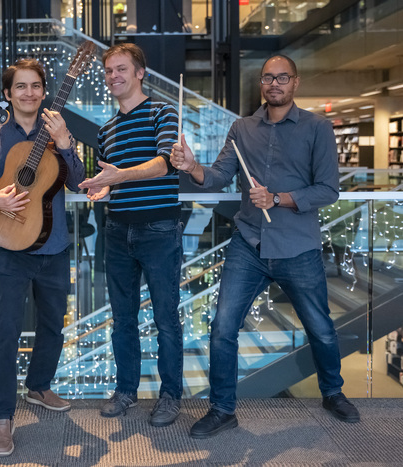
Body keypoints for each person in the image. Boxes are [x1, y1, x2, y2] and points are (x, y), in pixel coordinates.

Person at [170, 54, 360, 439]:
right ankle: (223, 409)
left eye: (282, 77)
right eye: (268, 78)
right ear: (262, 84)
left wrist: (278, 199)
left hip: (298, 246)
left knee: (320, 328)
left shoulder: (317, 128)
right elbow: (220, 175)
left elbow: (328, 190)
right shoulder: (242, 128)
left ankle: (333, 392)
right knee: (222, 327)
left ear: (295, 83)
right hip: (249, 243)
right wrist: (192, 167)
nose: (275, 84)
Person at [0, 58, 85, 457]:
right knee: (5, 333)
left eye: (36, 85)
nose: (29, 93)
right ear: (8, 94)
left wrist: (66, 145)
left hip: (55, 247)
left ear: (45, 91)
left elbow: (78, 183)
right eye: (20, 87)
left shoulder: (59, 131)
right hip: (10, 249)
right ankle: (3, 418)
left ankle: (40, 387)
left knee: (53, 327)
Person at [78, 43, 184, 427]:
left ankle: (171, 396)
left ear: (141, 73)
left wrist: (119, 175)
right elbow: (112, 181)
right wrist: (102, 188)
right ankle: (126, 391)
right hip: (117, 230)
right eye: (108, 71)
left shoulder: (162, 112)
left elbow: (164, 164)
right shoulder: (105, 130)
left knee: (165, 319)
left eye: (121, 69)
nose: (113, 77)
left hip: (159, 229)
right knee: (122, 318)